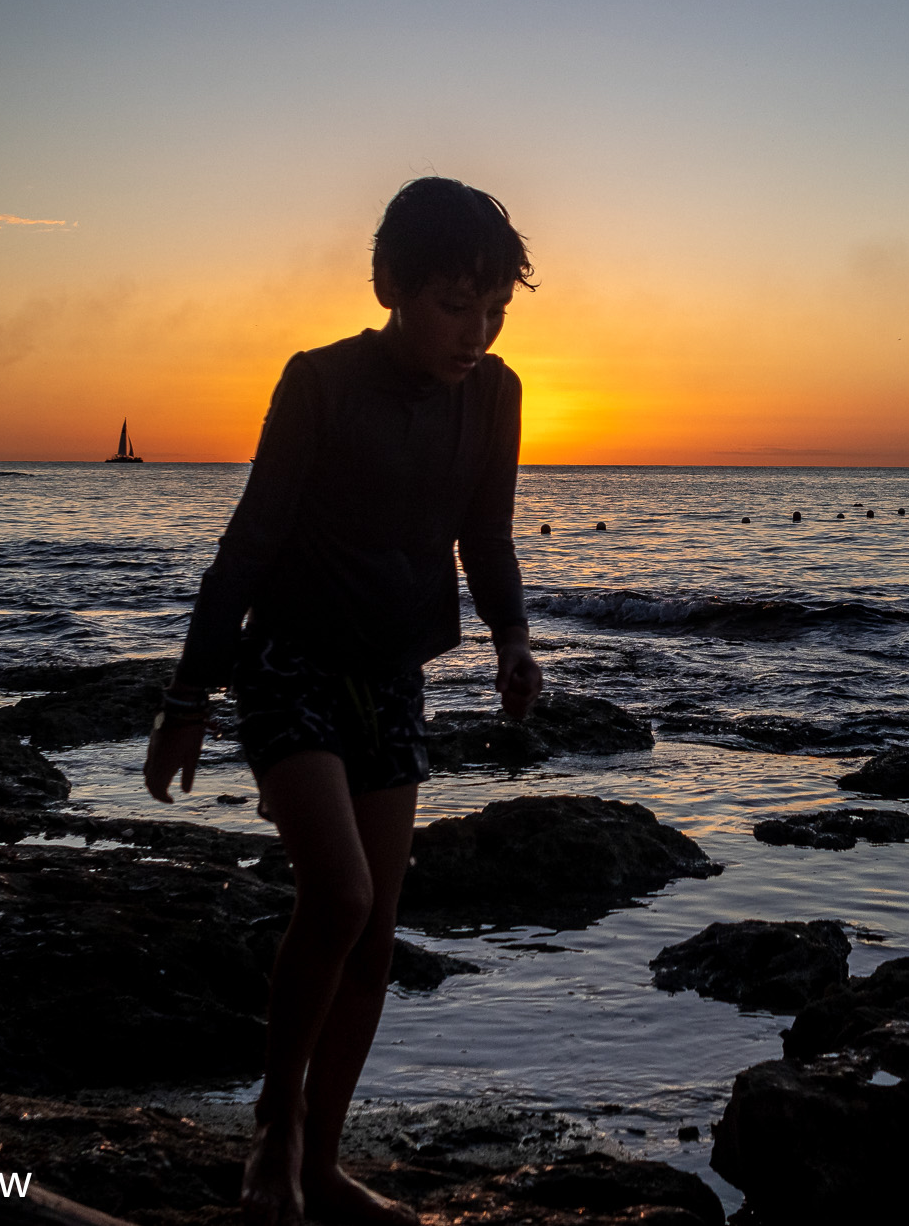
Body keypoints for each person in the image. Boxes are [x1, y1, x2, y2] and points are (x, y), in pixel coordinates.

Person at [144, 177, 542, 1226]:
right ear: (389, 286)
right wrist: (187, 697)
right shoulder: (318, 382)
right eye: (455, 305)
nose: (477, 330)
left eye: (494, 307)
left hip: (393, 678)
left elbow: (486, 536)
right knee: (341, 897)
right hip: (289, 665)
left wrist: (512, 639)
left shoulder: (495, 395)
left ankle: (320, 1164)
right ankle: (274, 1129)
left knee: (373, 937)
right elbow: (248, 545)